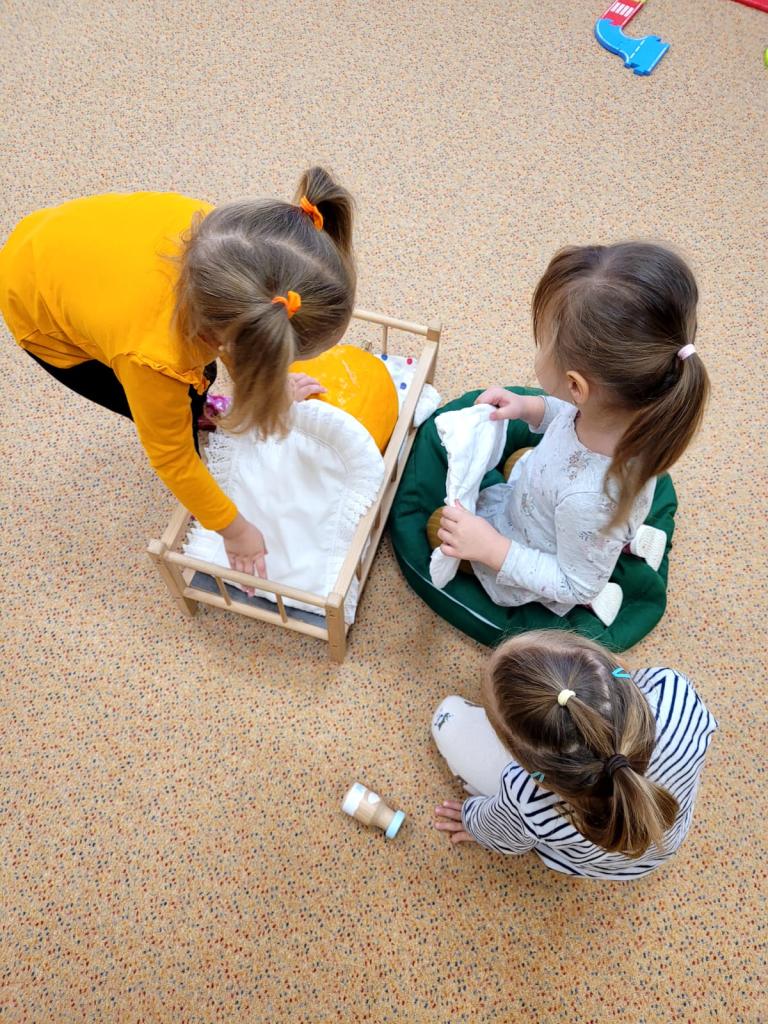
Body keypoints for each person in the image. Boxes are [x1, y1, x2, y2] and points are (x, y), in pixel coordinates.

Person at [0, 167, 355, 580]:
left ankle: (197, 404)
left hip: (65, 242)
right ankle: (194, 411)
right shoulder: (154, 360)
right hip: (37, 306)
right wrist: (234, 530)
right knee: (165, 410)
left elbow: (237, 328)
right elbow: (172, 458)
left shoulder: (232, 244)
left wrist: (269, 382)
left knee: (189, 387)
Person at [433, 243, 710, 625]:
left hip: (549, 549)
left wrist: (492, 548)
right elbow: (569, 416)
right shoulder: (625, 411)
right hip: (573, 518)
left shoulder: (587, 500)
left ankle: (606, 577)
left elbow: (574, 583)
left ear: (576, 386)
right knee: (521, 463)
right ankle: (624, 542)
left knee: (440, 528)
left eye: (544, 342)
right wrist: (529, 407)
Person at [431, 630, 717, 879]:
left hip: (595, 864)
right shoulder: (675, 693)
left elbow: (508, 837)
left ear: (535, 775)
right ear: (615, 665)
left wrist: (473, 821)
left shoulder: (526, 797)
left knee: (446, 716)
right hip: (668, 834)